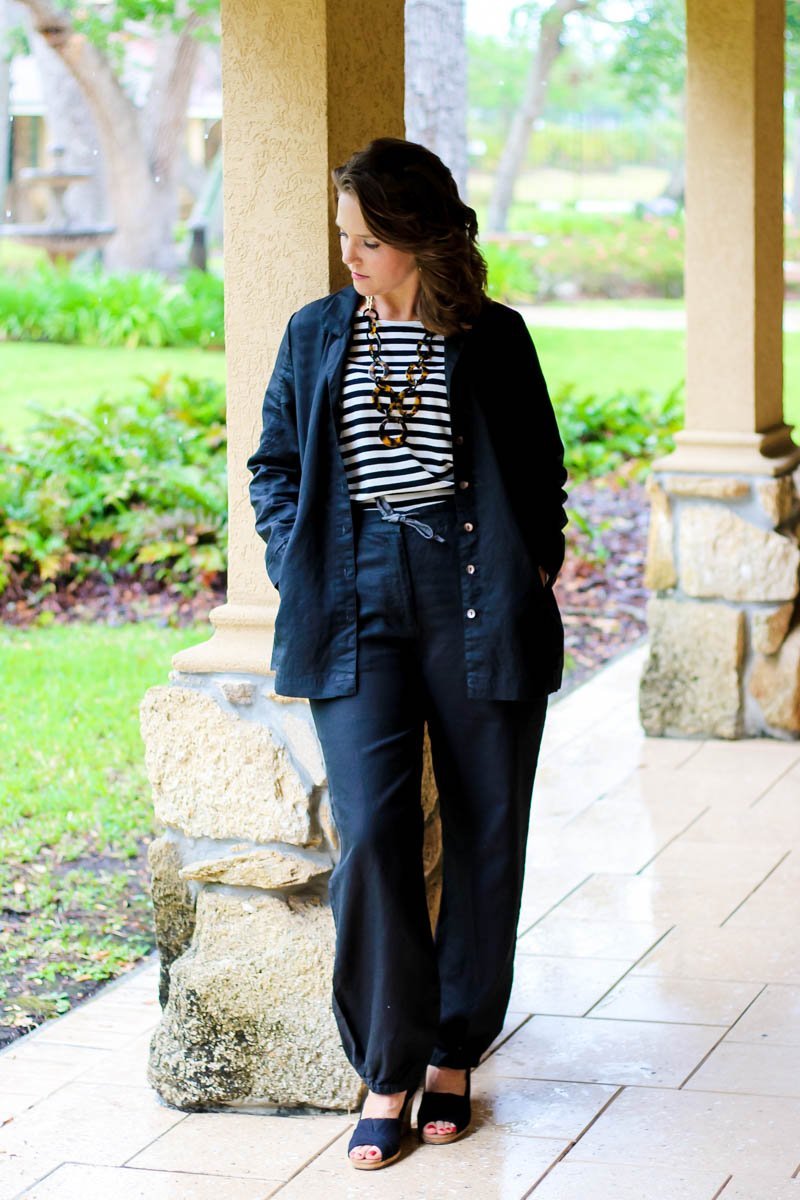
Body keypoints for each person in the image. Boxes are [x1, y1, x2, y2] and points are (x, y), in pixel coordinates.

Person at [246, 136, 567, 1171]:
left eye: (368, 241)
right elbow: (274, 465)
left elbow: (540, 474)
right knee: (376, 831)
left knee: (485, 831)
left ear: (420, 240)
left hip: (475, 595)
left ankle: (452, 1053)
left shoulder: (493, 338)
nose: (349, 256)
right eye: (343, 236)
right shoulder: (314, 334)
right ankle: (387, 1065)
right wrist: (293, 562)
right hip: (351, 598)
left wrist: (531, 568)